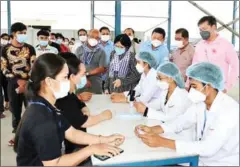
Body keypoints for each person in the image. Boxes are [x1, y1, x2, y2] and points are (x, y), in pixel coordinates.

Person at [14, 53, 125, 166]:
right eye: (65, 77)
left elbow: (72, 133)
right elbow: (54, 164)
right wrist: (90, 150)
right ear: (49, 82)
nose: (68, 81)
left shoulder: (47, 105)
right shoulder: (42, 118)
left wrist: (104, 139)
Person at [135, 62, 239, 166]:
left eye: (194, 86)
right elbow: (181, 122)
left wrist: (162, 142)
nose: (190, 91)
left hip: (221, 163)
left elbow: (209, 148)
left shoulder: (229, 110)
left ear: (208, 86)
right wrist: (153, 129)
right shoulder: (201, 103)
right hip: (200, 159)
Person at [56, 52, 113, 155]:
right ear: (72, 77)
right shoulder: (63, 98)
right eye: (83, 74)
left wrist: (84, 111)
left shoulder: (69, 93)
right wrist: (103, 116)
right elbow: (83, 122)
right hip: (68, 150)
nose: (85, 77)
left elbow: (80, 104)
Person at [1, 22, 36, 145]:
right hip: (13, 84)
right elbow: (4, 68)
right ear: (13, 34)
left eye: (25, 33)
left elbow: (34, 67)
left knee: (31, 110)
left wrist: (26, 82)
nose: (23, 35)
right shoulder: (4, 50)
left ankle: (31, 136)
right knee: (15, 111)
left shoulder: (30, 48)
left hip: (29, 84)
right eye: (20, 33)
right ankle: (17, 136)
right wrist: (17, 81)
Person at [192, 16, 239, 93]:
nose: (202, 32)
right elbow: (194, 66)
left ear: (213, 27)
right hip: (200, 88)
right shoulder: (199, 45)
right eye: (200, 30)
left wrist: (227, 86)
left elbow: (235, 66)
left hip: (218, 89)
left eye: (204, 29)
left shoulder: (225, 45)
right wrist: (190, 83)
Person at [75, 29, 107, 94]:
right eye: (92, 37)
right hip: (80, 80)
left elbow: (102, 68)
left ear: (99, 40)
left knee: (96, 101)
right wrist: (84, 78)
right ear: (87, 36)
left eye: (97, 38)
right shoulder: (79, 49)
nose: (94, 39)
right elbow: (75, 65)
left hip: (96, 82)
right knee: (80, 100)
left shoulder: (101, 51)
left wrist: (87, 74)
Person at [99, 26, 114, 91]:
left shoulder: (113, 45)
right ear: (100, 34)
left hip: (110, 76)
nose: (105, 35)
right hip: (97, 75)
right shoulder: (95, 45)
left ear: (109, 35)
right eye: (103, 34)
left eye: (107, 34)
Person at [0, 33, 10, 112]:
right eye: (4, 38)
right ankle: (1, 108)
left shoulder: (9, 48)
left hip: (6, 71)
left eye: (7, 38)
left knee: (6, 88)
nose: (5, 40)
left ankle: (7, 103)